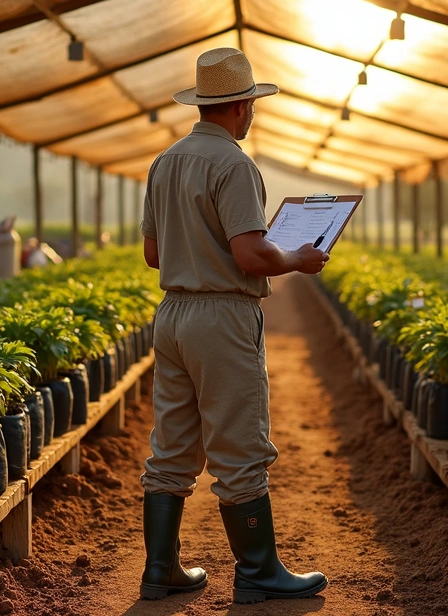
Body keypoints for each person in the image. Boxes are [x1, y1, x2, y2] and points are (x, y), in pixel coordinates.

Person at [138, 47, 330, 605]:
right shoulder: (234, 165)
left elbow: (153, 254)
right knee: (239, 445)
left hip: (172, 314)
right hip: (221, 316)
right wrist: (296, 259)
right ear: (242, 106)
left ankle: (161, 569)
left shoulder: (165, 161)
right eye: (252, 107)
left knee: (172, 445)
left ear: (204, 103)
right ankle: (258, 571)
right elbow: (249, 254)